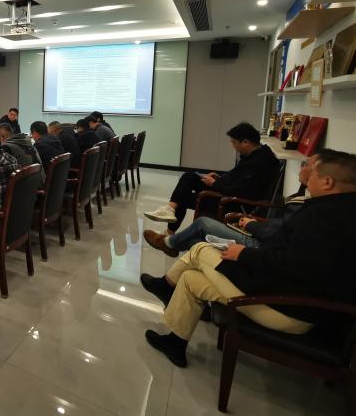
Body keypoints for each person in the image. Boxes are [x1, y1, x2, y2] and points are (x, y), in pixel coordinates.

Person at [140, 149, 356, 368]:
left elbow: (292, 264)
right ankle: (175, 343)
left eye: (313, 173)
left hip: (287, 309)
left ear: (327, 182)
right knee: (190, 279)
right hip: (292, 300)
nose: (308, 176)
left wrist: (243, 254)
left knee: (200, 249)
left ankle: (165, 285)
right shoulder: (340, 210)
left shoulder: (325, 217)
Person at [144, 154, 317, 257]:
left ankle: (168, 240)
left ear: (325, 179)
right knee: (196, 240)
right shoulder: (305, 200)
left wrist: (253, 225)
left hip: (255, 238)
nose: (301, 167)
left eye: (306, 164)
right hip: (259, 232)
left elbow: (281, 236)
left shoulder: (313, 210)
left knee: (201, 222)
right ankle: (170, 242)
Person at [144, 122, 280, 234]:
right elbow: (237, 177)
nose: (233, 146)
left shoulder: (258, 164)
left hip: (233, 203)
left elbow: (240, 191)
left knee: (183, 197)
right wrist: (218, 178)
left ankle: (168, 233)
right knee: (188, 177)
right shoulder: (254, 155)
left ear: (245, 142)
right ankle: (170, 209)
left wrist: (215, 184)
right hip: (228, 191)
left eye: (234, 143)